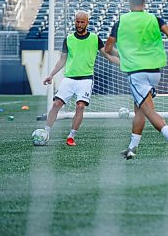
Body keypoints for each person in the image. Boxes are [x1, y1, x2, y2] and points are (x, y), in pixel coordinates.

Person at [104, 0, 168, 161]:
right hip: (155, 73)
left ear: (128, 1)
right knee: (139, 110)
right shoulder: (154, 19)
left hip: (136, 73)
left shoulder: (122, 21)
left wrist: (121, 55)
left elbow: (109, 47)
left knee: (148, 111)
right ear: (144, 1)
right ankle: (132, 148)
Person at [42, 10, 119, 146]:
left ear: (87, 23)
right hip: (69, 79)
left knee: (80, 106)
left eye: (82, 22)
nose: (79, 24)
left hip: (86, 80)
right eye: (77, 21)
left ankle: (71, 136)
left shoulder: (95, 38)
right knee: (56, 104)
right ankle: (45, 132)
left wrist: (123, 63)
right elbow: (62, 60)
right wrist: (51, 75)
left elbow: (107, 55)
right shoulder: (69, 39)